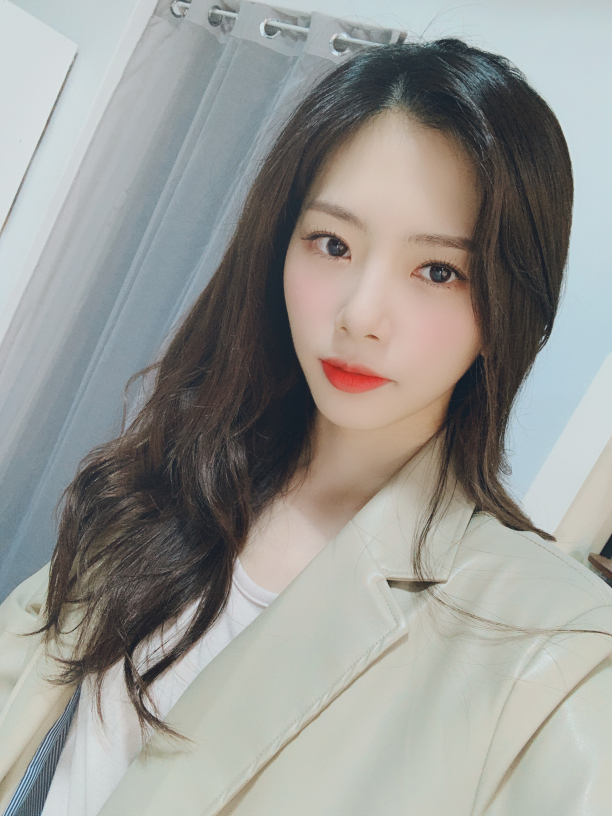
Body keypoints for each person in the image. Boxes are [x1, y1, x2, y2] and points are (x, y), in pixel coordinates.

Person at [1, 36, 611, 816]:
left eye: (438, 271)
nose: (360, 314)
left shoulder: (556, 652)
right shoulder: (164, 483)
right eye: (333, 244)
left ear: (507, 309)